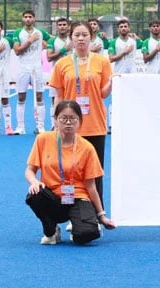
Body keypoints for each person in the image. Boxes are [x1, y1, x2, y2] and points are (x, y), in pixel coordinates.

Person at [25, 100, 116, 245]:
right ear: (56, 120)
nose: (68, 122)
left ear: (79, 121)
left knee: (86, 235)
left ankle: (78, 225)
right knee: (34, 195)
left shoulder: (87, 148)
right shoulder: (43, 139)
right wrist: (34, 182)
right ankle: (51, 230)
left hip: (77, 197)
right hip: (52, 197)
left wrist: (102, 216)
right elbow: (30, 170)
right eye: (63, 118)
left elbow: (91, 187)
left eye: (72, 118)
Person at [48, 21, 112, 205]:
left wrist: (112, 82)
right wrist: (56, 122)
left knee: (95, 172)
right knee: (70, 171)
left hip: (95, 124)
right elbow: (58, 96)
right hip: (70, 126)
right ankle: (74, 214)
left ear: (91, 37)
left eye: (85, 35)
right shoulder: (62, 64)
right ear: (71, 39)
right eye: (77, 35)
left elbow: (103, 93)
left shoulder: (102, 61)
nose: (81, 38)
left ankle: (96, 214)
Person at [12, 10, 51, 135]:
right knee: (21, 96)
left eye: (30, 17)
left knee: (39, 96)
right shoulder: (18, 33)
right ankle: (20, 127)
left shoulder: (41, 32)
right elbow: (17, 51)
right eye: (25, 17)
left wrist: (45, 45)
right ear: (23, 19)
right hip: (23, 68)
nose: (28, 19)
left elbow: (53, 41)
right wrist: (30, 41)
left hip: (37, 68)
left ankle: (40, 126)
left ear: (34, 19)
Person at [46, 17, 73, 129]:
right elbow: (49, 57)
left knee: (71, 98)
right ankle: (55, 124)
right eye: (60, 25)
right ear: (57, 27)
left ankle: (71, 122)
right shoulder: (52, 41)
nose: (62, 27)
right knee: (55, 99)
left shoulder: (73, 40)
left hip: (71, 73)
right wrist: (63, 50)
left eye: (64, 25)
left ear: (68, 27)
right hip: (57, 73)